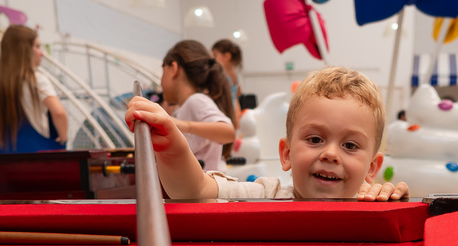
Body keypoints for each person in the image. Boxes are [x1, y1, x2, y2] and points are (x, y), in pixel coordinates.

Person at [124, 66, 409, 201]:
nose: (330, 154)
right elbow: (194, 190)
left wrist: (393, 200)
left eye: (350, 145)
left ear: (372, 168)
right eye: (315, 139)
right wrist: (172, 147)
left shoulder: (372, 205)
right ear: (286, 154)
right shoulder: (266, 196)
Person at [0, 25, 68, 153]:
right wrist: (63, 139)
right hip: (35, 155)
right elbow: (59, 113)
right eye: (37, 46)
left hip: (1, 154)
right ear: (24, 50)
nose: (42, 53)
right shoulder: (37, 80)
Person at [160, 40, 236, 173]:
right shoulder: (187, 105)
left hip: (207, 184)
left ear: (173, 69)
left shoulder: (196, 100)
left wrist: (185, 125)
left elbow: (227, 131)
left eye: (163, 71)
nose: (161, 80)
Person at [211, 39, 244, 120]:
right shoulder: (235, 75)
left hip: (222, 111)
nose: (212, 59)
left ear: (227, 56)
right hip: (231, 111)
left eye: (215, 55)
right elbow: (239, 93)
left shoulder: (222, 76)